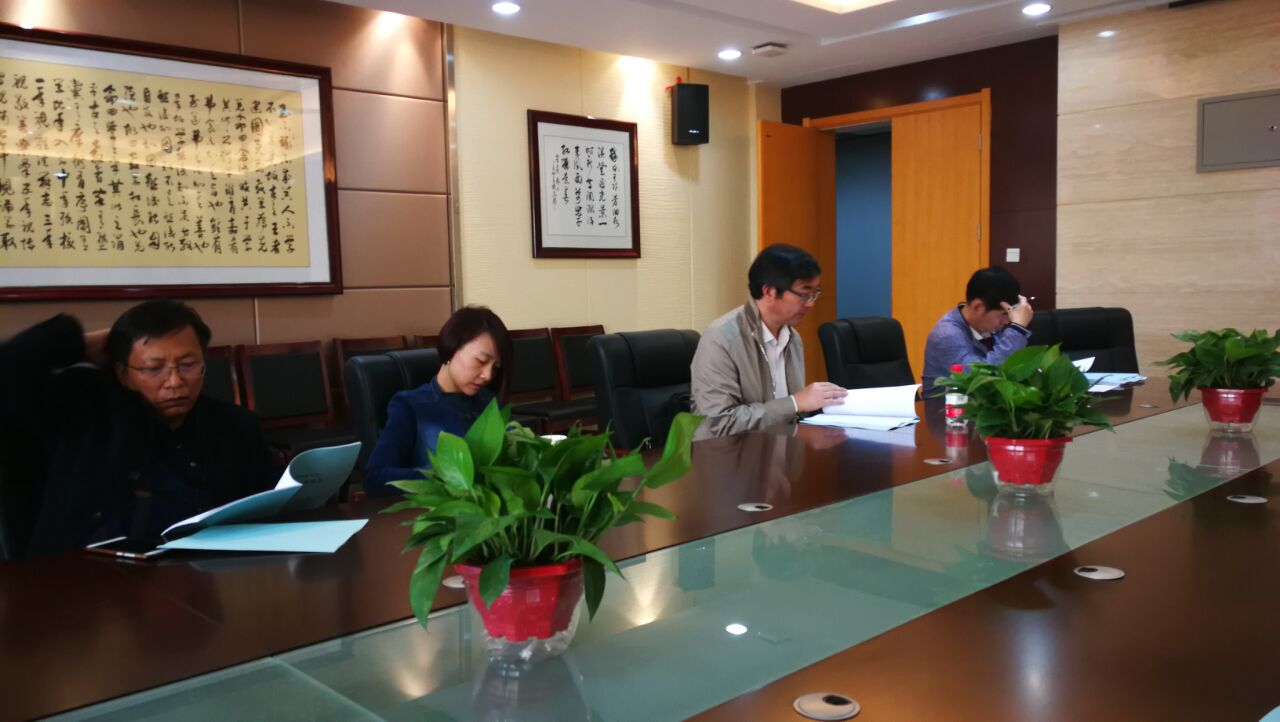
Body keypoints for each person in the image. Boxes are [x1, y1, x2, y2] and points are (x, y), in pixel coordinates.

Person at [0, 301, 281, 558]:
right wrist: (80, 344)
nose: (174, 381)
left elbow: (276, 500)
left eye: (188, 365)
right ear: (123, 373)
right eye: (153, 368)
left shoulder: (235, 425)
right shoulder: (82, 411)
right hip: (87, 576)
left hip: (205, 572)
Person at [691, 243, 847, 440]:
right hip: (728, 454)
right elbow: (719, 422)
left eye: (815, 293)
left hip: (781, 450)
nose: (811, 303)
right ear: (770, 292)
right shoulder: (721, 338)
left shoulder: (793, 338)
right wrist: (795, 403)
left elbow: (793, 415)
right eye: (804, 294)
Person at [363, 306, 512, 497]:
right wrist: (448, 477)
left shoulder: (490, 404)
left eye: (495, 367)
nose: (488, 375)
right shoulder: (409, 406)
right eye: (481, 361)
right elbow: (375, 478)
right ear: (452, 349)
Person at [921, 266, 1034, 395]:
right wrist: (1017, 329)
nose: (1008, 321)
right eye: (1004, 314)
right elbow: (982, 380)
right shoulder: (947, 335)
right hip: (944, 406)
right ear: (978, 307)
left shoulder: (989, 325)